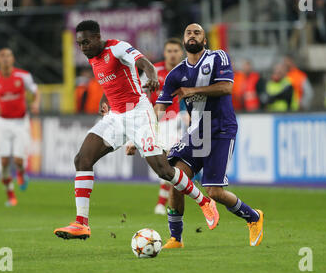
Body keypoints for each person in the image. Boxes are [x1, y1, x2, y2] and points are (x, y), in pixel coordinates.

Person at [53, 20, 219, 240]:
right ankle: (81, 223)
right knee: (82, 159)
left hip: (138, 114)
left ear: (97, 37)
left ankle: (205, 202)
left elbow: (143, 63)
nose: (82, 47)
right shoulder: (92, 57)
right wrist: (105, 99)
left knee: (164, 170)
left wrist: (151, 76)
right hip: (115, 117)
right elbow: (111, 83)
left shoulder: (117, 47)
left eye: (85, 42)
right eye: (79, 44)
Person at [154, 23, 264, 248]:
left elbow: (226, 88)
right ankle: (176, 238)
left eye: (197, 33)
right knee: (176, 177)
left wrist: (191, 92)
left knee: (214, 191)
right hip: (197, 131)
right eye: (188, 32)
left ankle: (253, 217)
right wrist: (141, 133)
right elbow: (160, 107)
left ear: (204, 41)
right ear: (184, 40)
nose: (192, 35)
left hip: (222, 129)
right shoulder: (176, 74)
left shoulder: (218, 58)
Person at [0, 48, 40, 206]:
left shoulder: (23, 76)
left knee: (19, 160)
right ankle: (11, 196)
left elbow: (35, 91)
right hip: (3, 123)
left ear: (13, 59)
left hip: (21, 122)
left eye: (8, 56)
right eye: (2, 56)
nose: (5, 59)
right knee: (4, 161)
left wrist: (35, 103)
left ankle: (21, 172)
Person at [137, 38, 184, 215]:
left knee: (170, 163)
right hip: (155, 122)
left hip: (175, 122)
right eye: (169, 51)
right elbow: (140, 93)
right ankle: (167, 203)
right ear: (164, 53)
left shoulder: (186, 71)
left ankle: (162, 204)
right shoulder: (154, 70)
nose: (172, 54)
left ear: (181, 53)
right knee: (167, 165)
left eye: (176, 51)